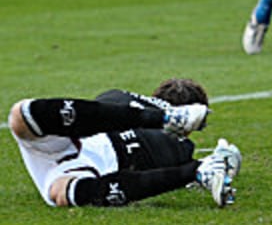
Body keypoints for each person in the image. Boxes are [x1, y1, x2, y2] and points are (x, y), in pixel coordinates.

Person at [8, 78, 242, 208]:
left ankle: (196, 165)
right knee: (62, 192)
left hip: (81, 142)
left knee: (20, 115)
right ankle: (197, 168)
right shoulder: (181, 147)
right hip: (101, 151)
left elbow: (86, 112)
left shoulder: (117, 95)